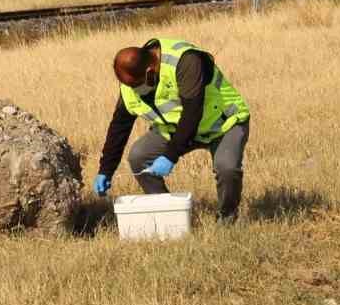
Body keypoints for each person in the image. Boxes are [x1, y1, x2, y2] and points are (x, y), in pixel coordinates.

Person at [92, 37, 250, 220]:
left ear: (150, 71)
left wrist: (170, 155)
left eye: (137, 85)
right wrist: (106, 169)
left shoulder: (186, 61)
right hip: (175, 129)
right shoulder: (131, 81)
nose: (134, 90)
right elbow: (120, 126)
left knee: (227, 168)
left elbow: (192, 113)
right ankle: (170, 215)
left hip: (223, 124)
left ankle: (227, 219)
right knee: (139, 157)